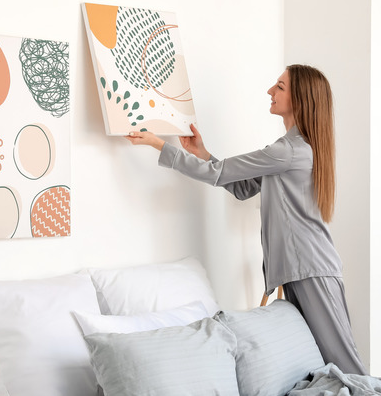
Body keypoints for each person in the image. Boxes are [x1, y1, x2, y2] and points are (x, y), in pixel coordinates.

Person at [125, 64, 368, 375]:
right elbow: (242, 188)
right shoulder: (294, 150)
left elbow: (218, 174)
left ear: (300, 97)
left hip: (310, 269)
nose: (270, 91)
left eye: (279, 86)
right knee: (324, 367)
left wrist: (160, 145)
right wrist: (202, 154)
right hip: (301, 270)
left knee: (346, 367)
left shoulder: (288, 151)